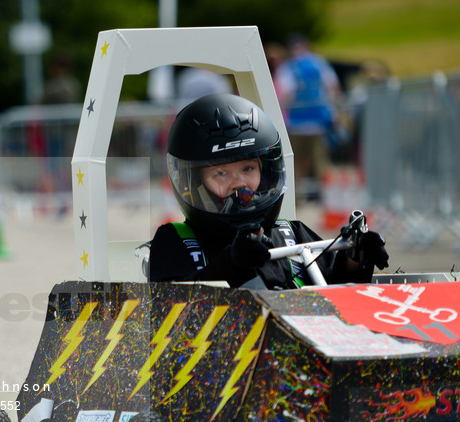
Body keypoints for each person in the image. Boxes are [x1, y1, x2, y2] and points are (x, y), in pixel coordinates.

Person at [145, 93, 387, 289]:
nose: (239, 183)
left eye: (248, 168)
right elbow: (172, 314)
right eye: (221, 173)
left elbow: (337, 291)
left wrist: (356, 257)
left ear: (266, 170)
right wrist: (230, 264)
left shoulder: (292, 233)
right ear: (193, 183)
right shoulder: (175, 241)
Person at [274, 35, 343, 202]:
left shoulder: (289, 66)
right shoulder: (319, 63)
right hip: (318, 120)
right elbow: (333, 87)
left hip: (296, 122)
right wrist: (333, 110)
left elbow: (286, 93)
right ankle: (328, 199)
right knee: (320, 162)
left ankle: (295, 200)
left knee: (294, 163)